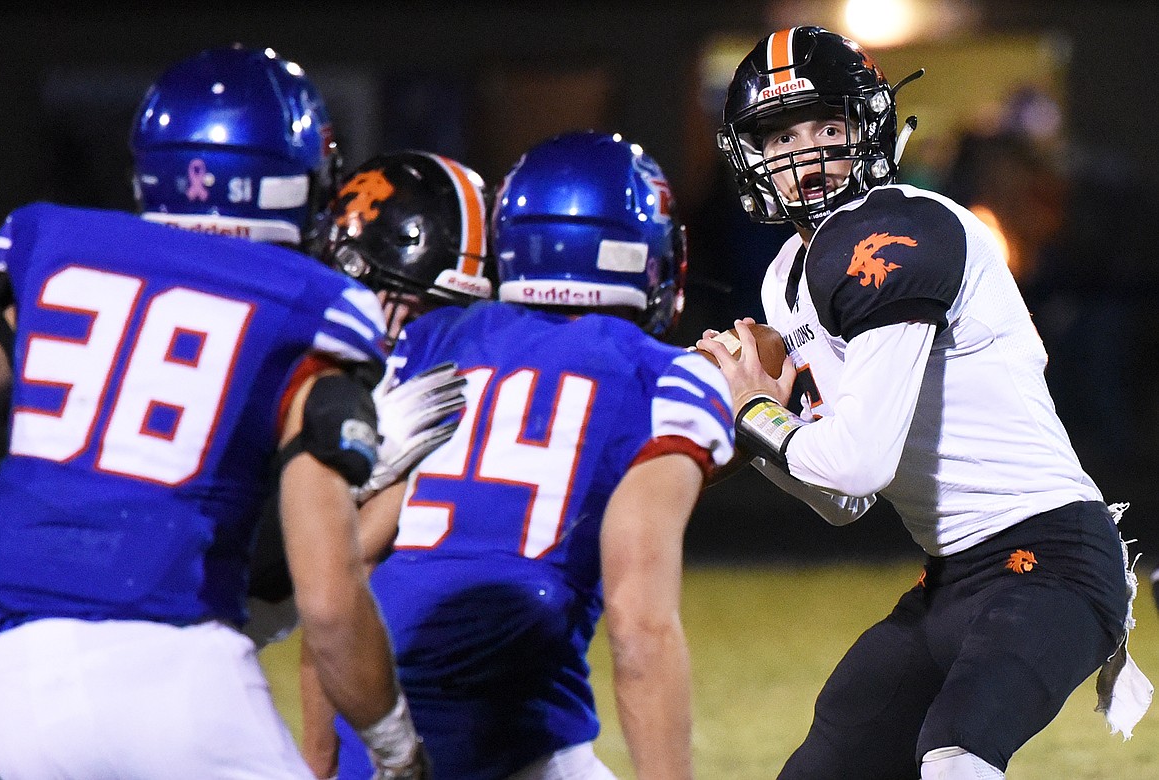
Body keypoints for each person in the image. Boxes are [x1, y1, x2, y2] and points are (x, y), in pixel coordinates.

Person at [696, 25, 1152, 780]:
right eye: (780, 136)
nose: (803, 154)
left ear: (866, 128)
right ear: (753, 155)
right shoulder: (786, 275)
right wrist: (763, 431)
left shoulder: (900, 229)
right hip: (955, 577)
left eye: (827, 128)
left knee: (956, 754)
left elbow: (859, 465)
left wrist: (756, 415)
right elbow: (844, 502)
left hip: (1055, 563)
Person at [0, 46, 443, 779]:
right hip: (177, 676)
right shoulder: (311, 304)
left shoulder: (55, 246)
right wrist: (397, 749)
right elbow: (327, 600)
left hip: (4, 683)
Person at [306, 130, 735, 780]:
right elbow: (641, 628)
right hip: (506, 743)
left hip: (370, 732)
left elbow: (338, 572)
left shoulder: (424, 340)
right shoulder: (665, 376)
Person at [244, 149, 494, 649]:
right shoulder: (269, 348)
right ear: (354, 271)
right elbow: (240, 570)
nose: (432, 336)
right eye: (420, 307)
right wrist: (344, 474)